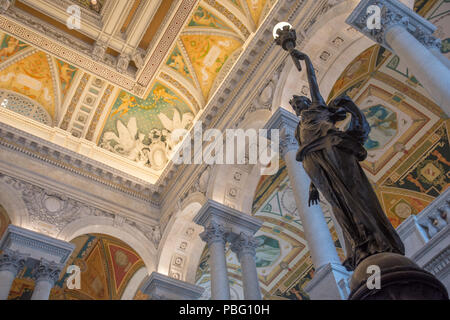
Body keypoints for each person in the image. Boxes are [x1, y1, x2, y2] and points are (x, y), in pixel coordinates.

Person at [289, 50, 405, 270]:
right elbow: (308, 152)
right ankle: (359, 245)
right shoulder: (297, 130)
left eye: (298, 101)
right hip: (317, 165)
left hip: (336, 151)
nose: (296, 106)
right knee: (338, 203)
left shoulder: (317, 107)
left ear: (306, 100)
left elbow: (312, 77)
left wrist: (301, 56)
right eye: (294, 105)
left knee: (354, 193)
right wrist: (313, 185)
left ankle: (377, 239)